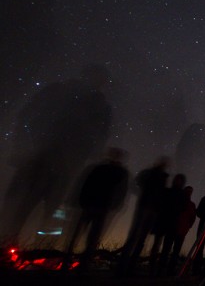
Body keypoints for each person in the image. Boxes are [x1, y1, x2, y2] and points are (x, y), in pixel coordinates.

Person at [1, 64, 112, 243]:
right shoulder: (61, 92)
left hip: (64, 164)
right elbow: (27, 115)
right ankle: (10, 243)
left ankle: (38, 249)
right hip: (43, 157)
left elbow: (100, 137)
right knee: (24, 204)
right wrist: (23, 146)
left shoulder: (99, 105)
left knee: (52, 209)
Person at [63, 147, 129, 270]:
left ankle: (80, 263)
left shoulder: (117, 171)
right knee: (82, 234)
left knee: (90, 236)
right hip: (92, 205)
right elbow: (88, 184)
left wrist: (113, 205)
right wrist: (83, 201)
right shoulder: (106, 169)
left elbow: (120, 191)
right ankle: (73, 261)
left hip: (99, 206)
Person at [116, 156, 170, 276]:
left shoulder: (162, 177)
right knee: (135, 237)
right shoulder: (150, 174)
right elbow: (136, 184)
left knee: (141, 239)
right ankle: (122, 268)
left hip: (152, 209)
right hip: (145, 207)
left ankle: (130, 267)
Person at [150, 173, 187, 275]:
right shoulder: (167, 191)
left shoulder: (182, 194)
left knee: (166, 248)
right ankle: (152, 268)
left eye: (180, 180)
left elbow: (183, 207)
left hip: (172, 223)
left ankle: (161, 269)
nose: (178, 182)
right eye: (177, 179)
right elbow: (159, 203)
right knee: (156, 246)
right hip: (162, 221)